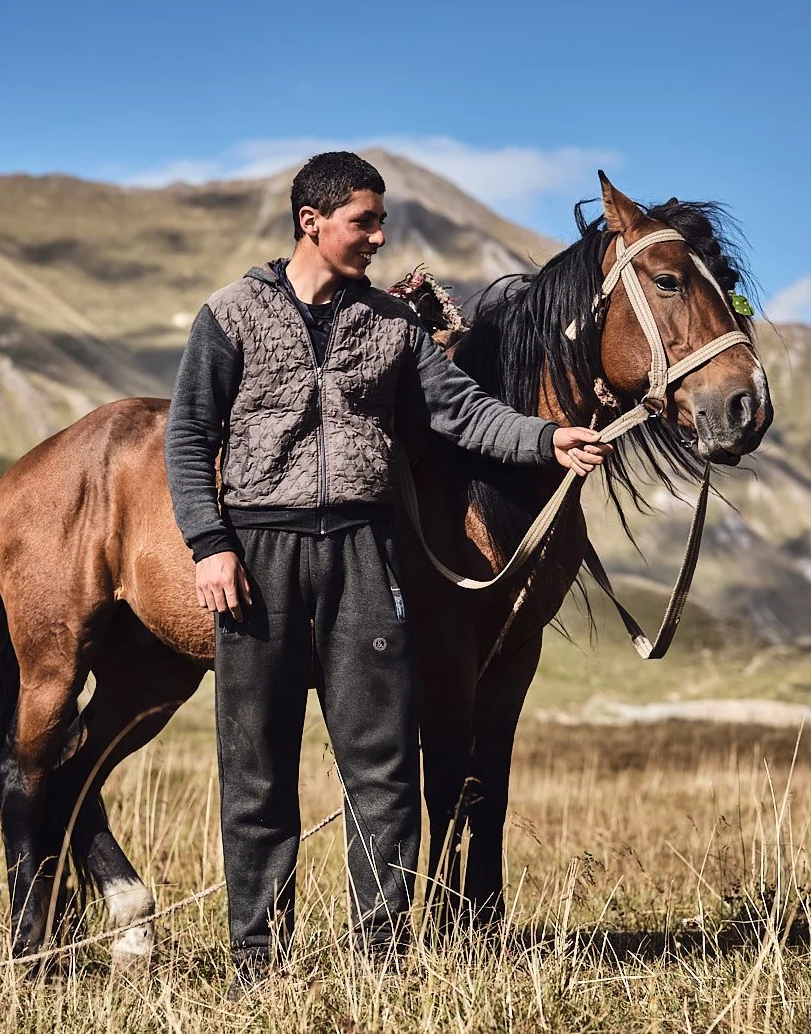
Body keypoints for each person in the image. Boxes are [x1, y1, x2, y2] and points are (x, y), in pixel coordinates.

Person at [164, 151, 609, 989]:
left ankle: (381, 957)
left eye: (379, 220)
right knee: (256, 768)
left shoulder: (392, 326)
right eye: (364, 221)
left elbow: (462, 414)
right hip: (258, 557)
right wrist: (209, 543)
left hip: (365, 556)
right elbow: (188, 438)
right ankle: (259, 962)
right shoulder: (228, 316)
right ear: (313, 222)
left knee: (382, 770)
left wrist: (546, 439)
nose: (378, 236)